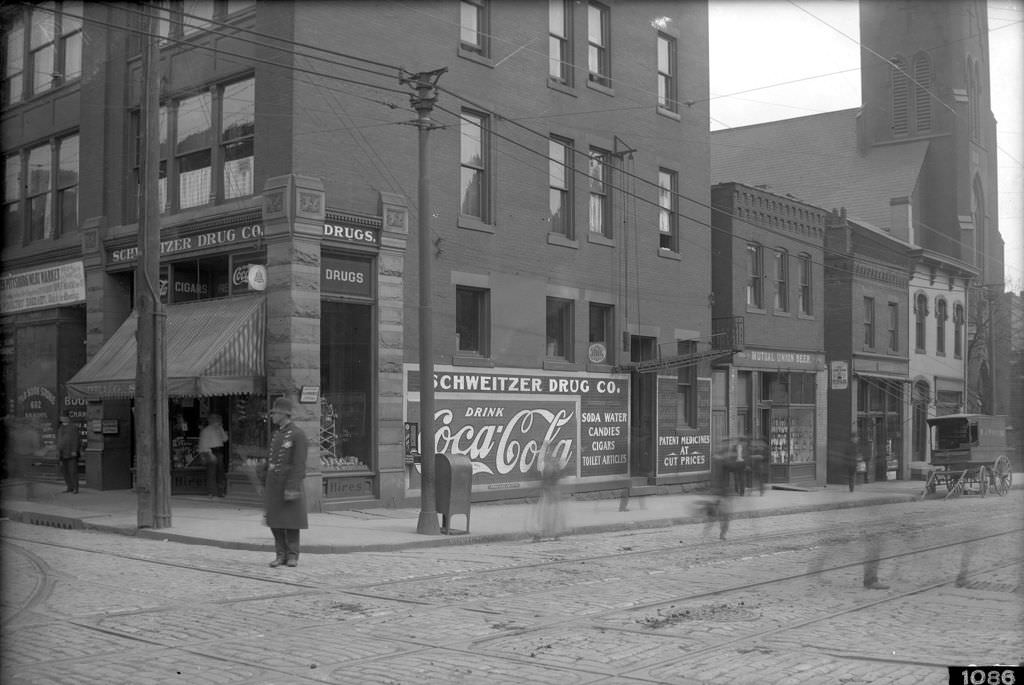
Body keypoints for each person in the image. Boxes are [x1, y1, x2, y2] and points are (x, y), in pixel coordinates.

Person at [262, 398, 308, 568]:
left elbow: (299, 464)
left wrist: (293, 486)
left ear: (283, 414)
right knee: (275, 521)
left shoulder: (298, 434)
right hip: (274, 484)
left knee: (291, 521)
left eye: (274, 413)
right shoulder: (277, 434)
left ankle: (293, 555)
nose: (272, 416)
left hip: (288, 483)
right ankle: (280, 554)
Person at [531, 440, 566, 541]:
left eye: (549, 450)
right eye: (548, 451)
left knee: (547, 513)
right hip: (549, 492)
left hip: (549, 492)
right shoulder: (548, 463)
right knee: (549, 513)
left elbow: (561, 470)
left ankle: (546, 533)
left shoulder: (551, 463)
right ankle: (550, 533)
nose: (549, 453)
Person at [198, 413, 229, 497]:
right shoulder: (206, 430)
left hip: (219, 451)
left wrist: (221, 428)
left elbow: (225, 439)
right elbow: (203, 444)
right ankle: (211, 492)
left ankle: (220, 492)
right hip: (210, 451)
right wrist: (210, 454)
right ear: (211, 421)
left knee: (220, 472)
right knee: (211, 472)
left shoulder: (219, 429)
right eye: (217, 420)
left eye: (219, 420)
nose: (218, 422)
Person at [56, 415, 80, 493]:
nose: (63, 419)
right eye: (62, 417)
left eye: (65, 417)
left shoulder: (73, 427)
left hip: (71, 452)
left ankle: (75, 488)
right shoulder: (60, 428)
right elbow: (59, 440)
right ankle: (69, 487)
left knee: (73, 471)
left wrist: (74, 450)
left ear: (68, 418)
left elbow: (76, 439)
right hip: (62, 453)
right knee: (65, 471)